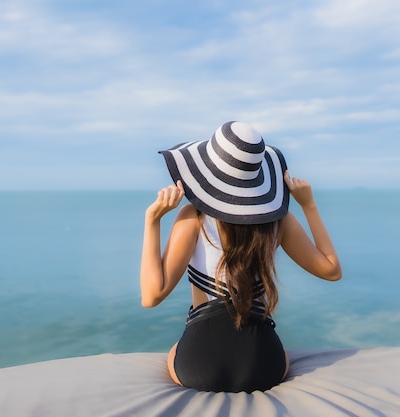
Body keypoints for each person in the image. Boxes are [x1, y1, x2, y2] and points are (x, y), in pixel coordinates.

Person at [140, 121, 342, 393]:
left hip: (200, 365)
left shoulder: (192, 218)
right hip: (262, 365)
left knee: (174, 351)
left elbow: (151, 296)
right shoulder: (278, 221)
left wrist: (152, 220)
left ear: (208, 173)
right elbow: (331, 270)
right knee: (275, 348)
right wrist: (309, 205)